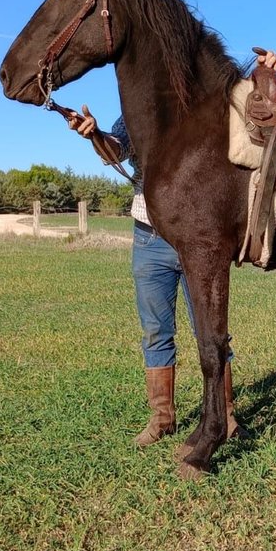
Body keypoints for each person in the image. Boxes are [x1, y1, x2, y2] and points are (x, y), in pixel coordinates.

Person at [65, 105, 246, 447]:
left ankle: (227, 416)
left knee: (211, 331)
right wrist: (94, 135)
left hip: (198, 237)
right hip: (150, 237)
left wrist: (264, 74)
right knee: (155, 331)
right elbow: (115, 148)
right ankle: (162, 418)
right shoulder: (139, 108)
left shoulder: (200, 103)